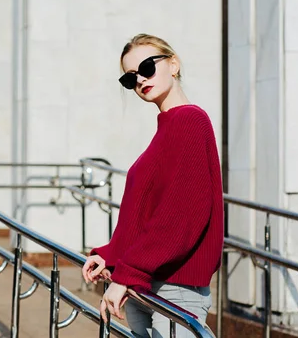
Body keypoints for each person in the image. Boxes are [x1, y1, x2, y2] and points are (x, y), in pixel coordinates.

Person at [81, 34, 224, 337]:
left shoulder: (190, 121)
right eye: (130, 78)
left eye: (147, 67)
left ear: (173, 64)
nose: (141, 80)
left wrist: (128, 273)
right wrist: (111, 254)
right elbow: (145, 212)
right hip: (146, 286)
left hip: (175, 290)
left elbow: (182, 216)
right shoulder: (168, 127)